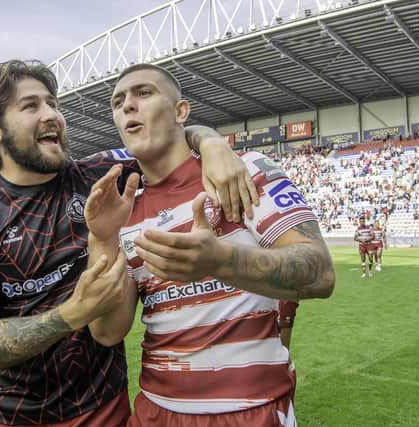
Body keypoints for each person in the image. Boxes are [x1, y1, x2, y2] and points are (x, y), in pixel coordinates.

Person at [0, 59, 258, 427]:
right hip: (6, 415)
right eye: (31, 106)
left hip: (102, 409)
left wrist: (212, 143)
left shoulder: (101, 175)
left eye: (53, 103)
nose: (51, 114)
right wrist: (73, 313)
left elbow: (169, 133)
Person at [84, 63, 335, 426]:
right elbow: (107, 331)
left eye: (144, 93)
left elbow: (320, 273)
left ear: (181, 111)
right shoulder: (126, 208)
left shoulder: (243, 170)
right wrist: (104, 241)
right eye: (117, 101)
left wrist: (219, 261)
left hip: (251, 411)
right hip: (156, 411)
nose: (127, 106)